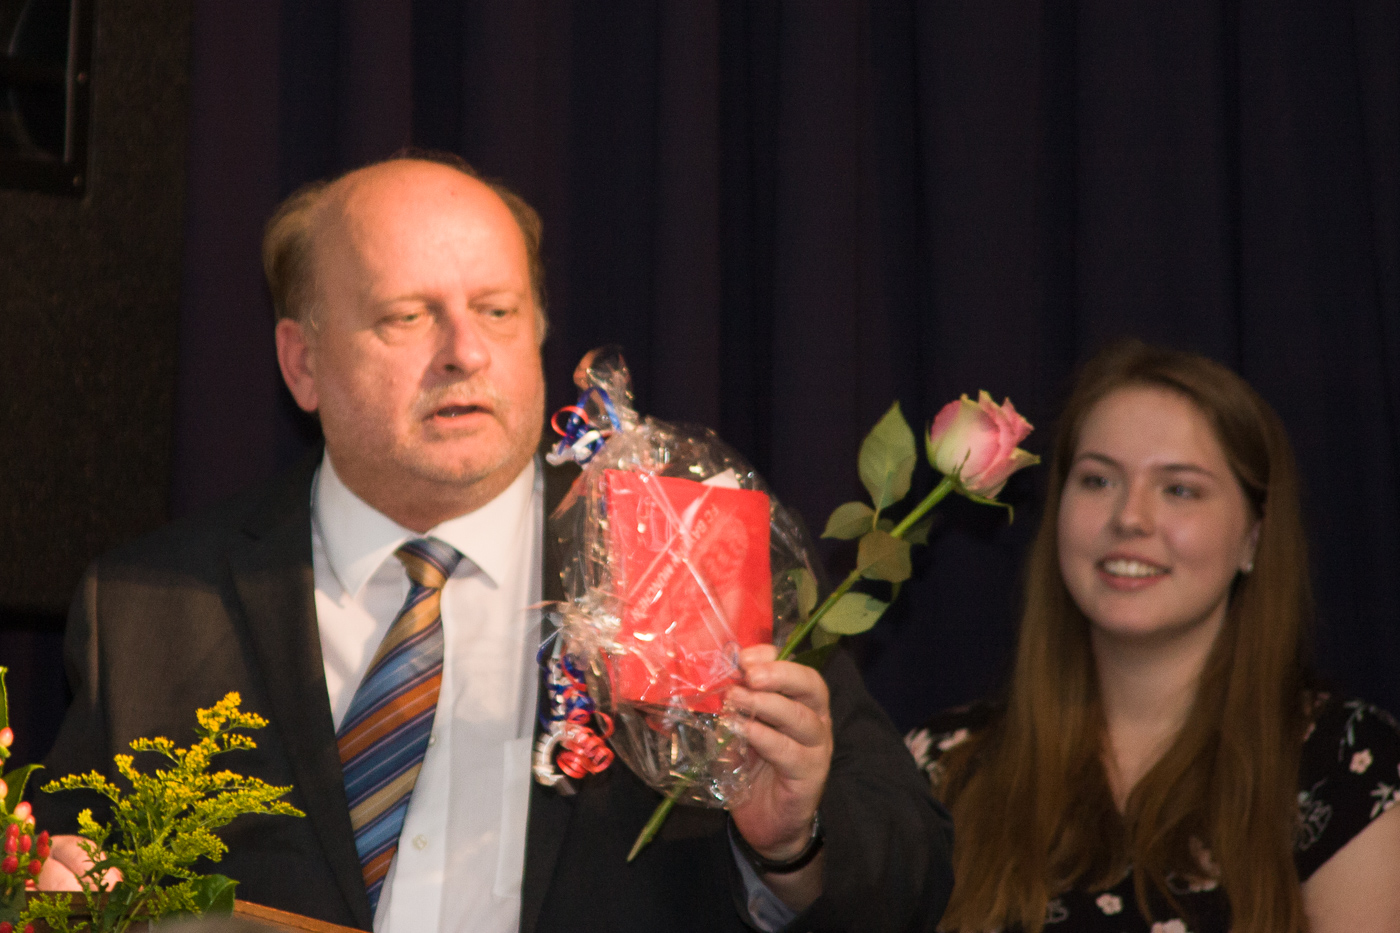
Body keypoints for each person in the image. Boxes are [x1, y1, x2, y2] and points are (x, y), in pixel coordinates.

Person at [32, 153, 953, 933]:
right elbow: (61, 887)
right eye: (406, 315)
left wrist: (790, 845)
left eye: (498, 311)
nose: (464, 351)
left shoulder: (686, 554)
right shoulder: (149, 608)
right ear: (302, 363)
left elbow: (915, 874)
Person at [906, 341, 1400, 933]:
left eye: (1179, 489)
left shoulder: (1345, 768)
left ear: (1253, 538)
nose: (1130, 518)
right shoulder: (944, 765)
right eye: (1097, 480)